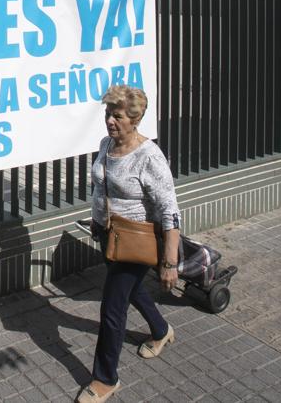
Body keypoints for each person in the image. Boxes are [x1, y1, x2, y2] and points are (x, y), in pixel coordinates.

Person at [77, 85, 181, 403]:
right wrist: (97, 220)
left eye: (118, 116)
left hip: (136, 240)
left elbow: (170, 209)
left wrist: (169, 262)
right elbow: (102, 188)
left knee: (112, 307)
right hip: (108, 235)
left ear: (135, 120)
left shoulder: (149, 156)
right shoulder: (106, 144)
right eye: (108, 114)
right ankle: (161, 330)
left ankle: (105, 379)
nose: (110, 121)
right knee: (131, 290)